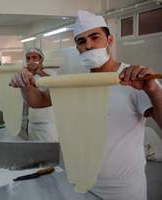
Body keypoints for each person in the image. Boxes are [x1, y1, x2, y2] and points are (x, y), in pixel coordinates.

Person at [9, 10, 162, 200]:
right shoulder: (80, 82)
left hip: (123, 189)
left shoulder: (132, 79)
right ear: (78, 48)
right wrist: (25, 85)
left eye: (95, 37)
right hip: (81, 182)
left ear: (110, 40)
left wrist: (153, 91)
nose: (88, 45)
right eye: (81, 41)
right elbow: (38, 101)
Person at [14, 47, 59, 142]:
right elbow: (31, 104)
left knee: (48, 154)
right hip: (32, 123)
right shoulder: (27, 75)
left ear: (41, 59)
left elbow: (56, 87)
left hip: (48, 124)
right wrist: (28, 125)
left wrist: (39, 71)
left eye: (34, 58)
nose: (31, 61)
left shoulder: (50, 73)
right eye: (28, 58)